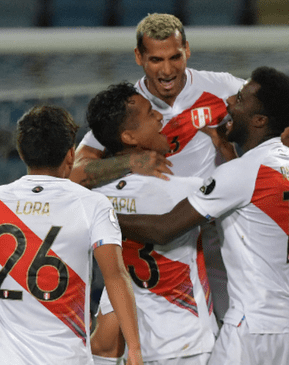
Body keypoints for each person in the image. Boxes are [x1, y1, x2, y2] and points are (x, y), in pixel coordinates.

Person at [116, 66, 289, 365]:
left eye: (242, 99)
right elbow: (254, 196)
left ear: (260, 120)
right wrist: (225, 147)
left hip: (253, 328)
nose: (229, 102)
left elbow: (163, 228)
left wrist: (100, 214)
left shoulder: (240, 174)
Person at [70, 13, 245, 323]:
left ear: (187, 50)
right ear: (139, 57)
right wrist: (129, 161)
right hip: (159, 232)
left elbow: (273, 118)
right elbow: (77, 173)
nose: (167, 70)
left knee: (233, 320)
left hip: (216, 228)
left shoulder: (223, 88)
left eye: (175, 57)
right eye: (155, 59)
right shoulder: (130, 108)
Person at [0, 105, 142, 365]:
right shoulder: (92, 204)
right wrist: (134, 349)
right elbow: (115, 276)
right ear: (71, 155)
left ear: (22, 153)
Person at [86, 82, 216, 365]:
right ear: (130, 137)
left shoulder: (93, 200)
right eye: (149, 114)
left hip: (137, 350)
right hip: (189, 343)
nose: (160, 117)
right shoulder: (187, 191)